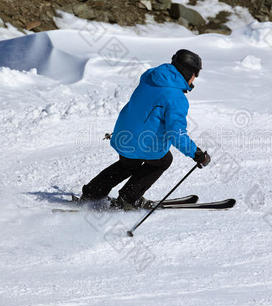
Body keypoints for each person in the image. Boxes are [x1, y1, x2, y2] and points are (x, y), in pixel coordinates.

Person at [80, 49, 211, 210]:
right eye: (195, 74)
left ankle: (92, 193)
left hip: (122, 135)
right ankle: (128, 198)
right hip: (141, 142)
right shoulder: (176, 97)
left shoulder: (151, 77)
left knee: (129, 162)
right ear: (187, 72)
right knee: (163, 160)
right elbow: (176, 133)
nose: (194, 79)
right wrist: (196, 154)